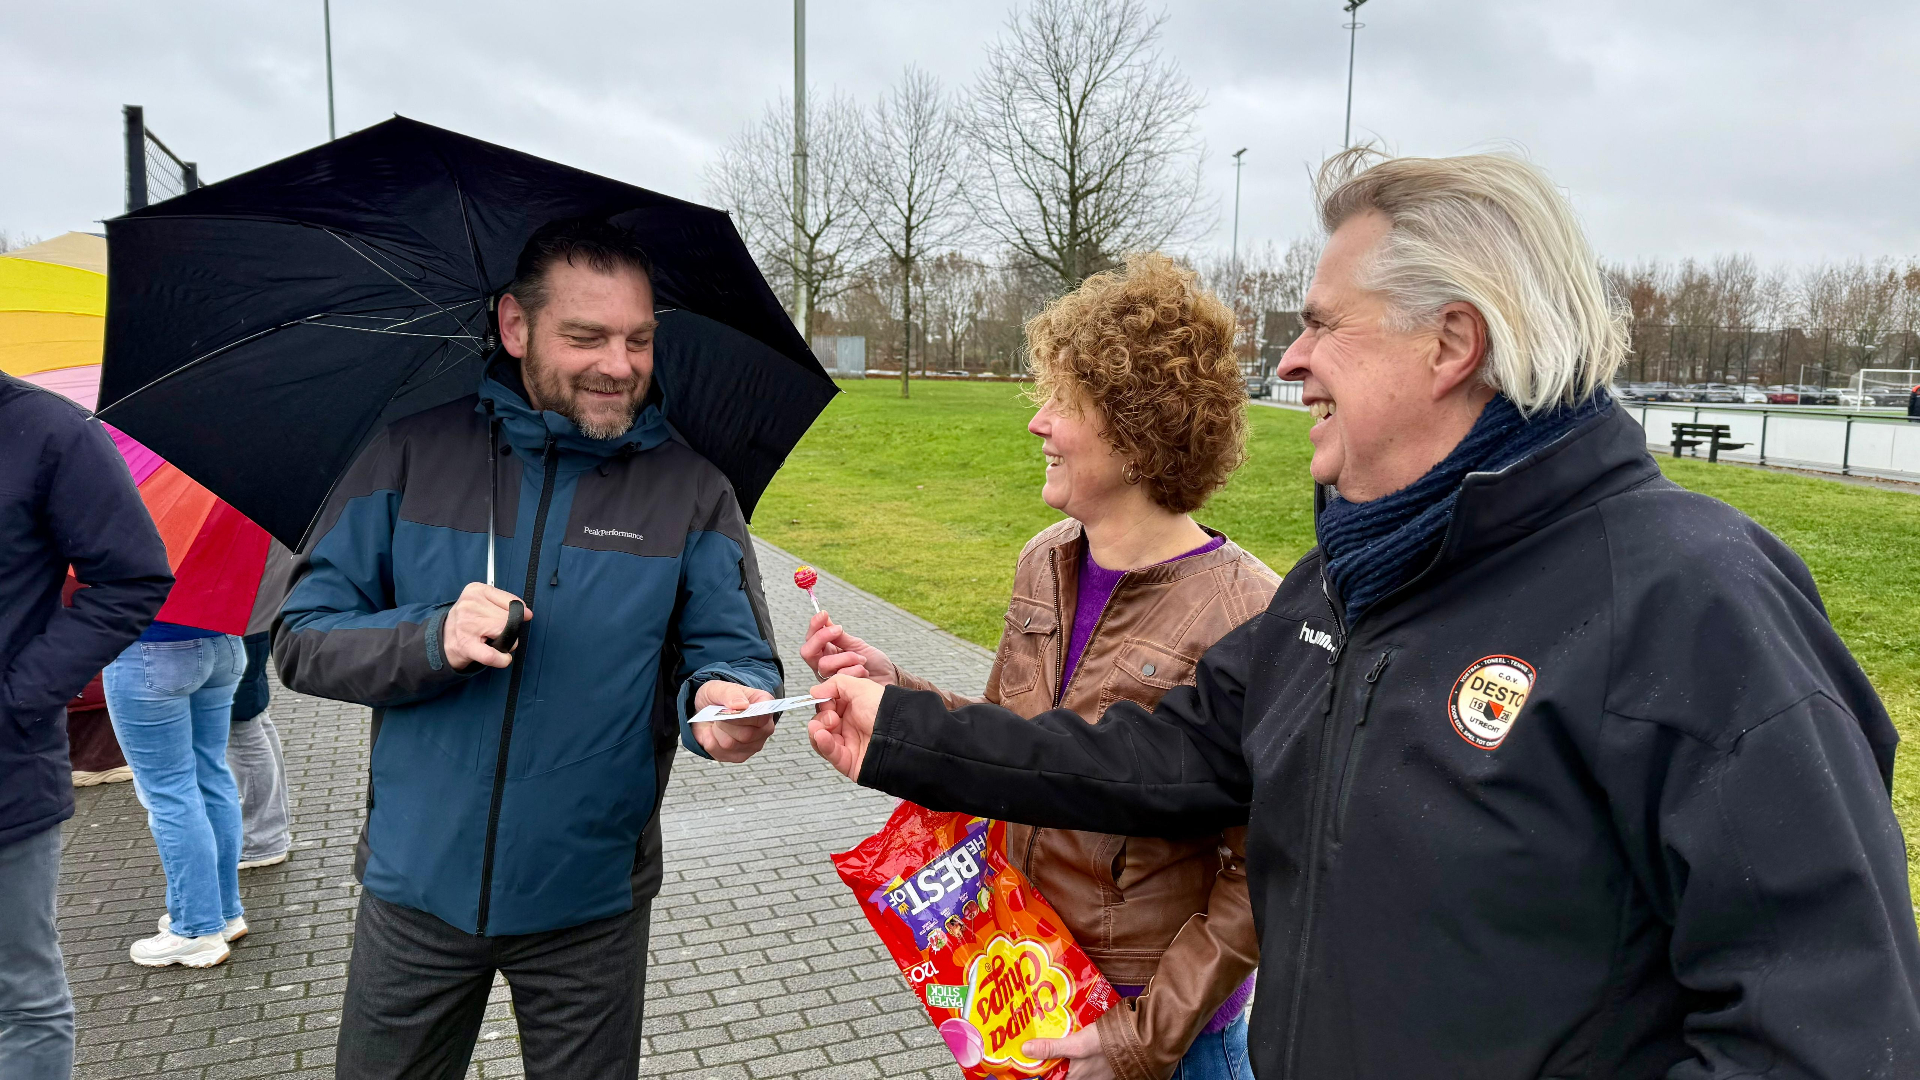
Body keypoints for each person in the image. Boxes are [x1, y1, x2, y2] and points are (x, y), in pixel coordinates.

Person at [807, 149, 1920, 1079]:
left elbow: (1827, 1029)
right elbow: (1147, 760)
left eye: (1322, 325)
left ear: (1452, 343)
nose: (1290, 361)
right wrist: (901, 730)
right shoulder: (1343, 587)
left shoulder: (1695, 599)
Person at [274, 217, 786, 1080]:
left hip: (591, 901)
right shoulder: (409, 454)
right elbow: (302, 638)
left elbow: (733, 654)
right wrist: (430, 635)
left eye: (639, 339)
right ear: (515, 325)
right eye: (586, 336)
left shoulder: (693, 490)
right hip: (416, 890)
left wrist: (725, 701)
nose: (619, 365)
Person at [802, 254, 1274, 1080]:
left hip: (1156, 1031)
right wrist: (895, 688)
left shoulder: (1249, 610)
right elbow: (1014, 746)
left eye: (1066, 402)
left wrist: (1142, 1040)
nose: (1037, 423)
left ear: (1137, 429)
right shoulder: (1044, 560)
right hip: (1029, 974)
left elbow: (1258, 874)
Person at [0, 373, 172, 1078]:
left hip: (6, 775)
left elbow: (133, 577)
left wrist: (20, 695)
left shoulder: (49, 431)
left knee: (21, 1000)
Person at [103, 618, 249, 968]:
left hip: (151, 647)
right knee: (210, 775)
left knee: (170, 791)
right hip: (223, 641)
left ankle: (196, 929)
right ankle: (224, 912)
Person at [228, 541, 299, 870]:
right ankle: (270, 832)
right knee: (252, 720)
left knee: (242, 728)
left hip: (239, 613)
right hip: (251, 611)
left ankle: (262, 839)